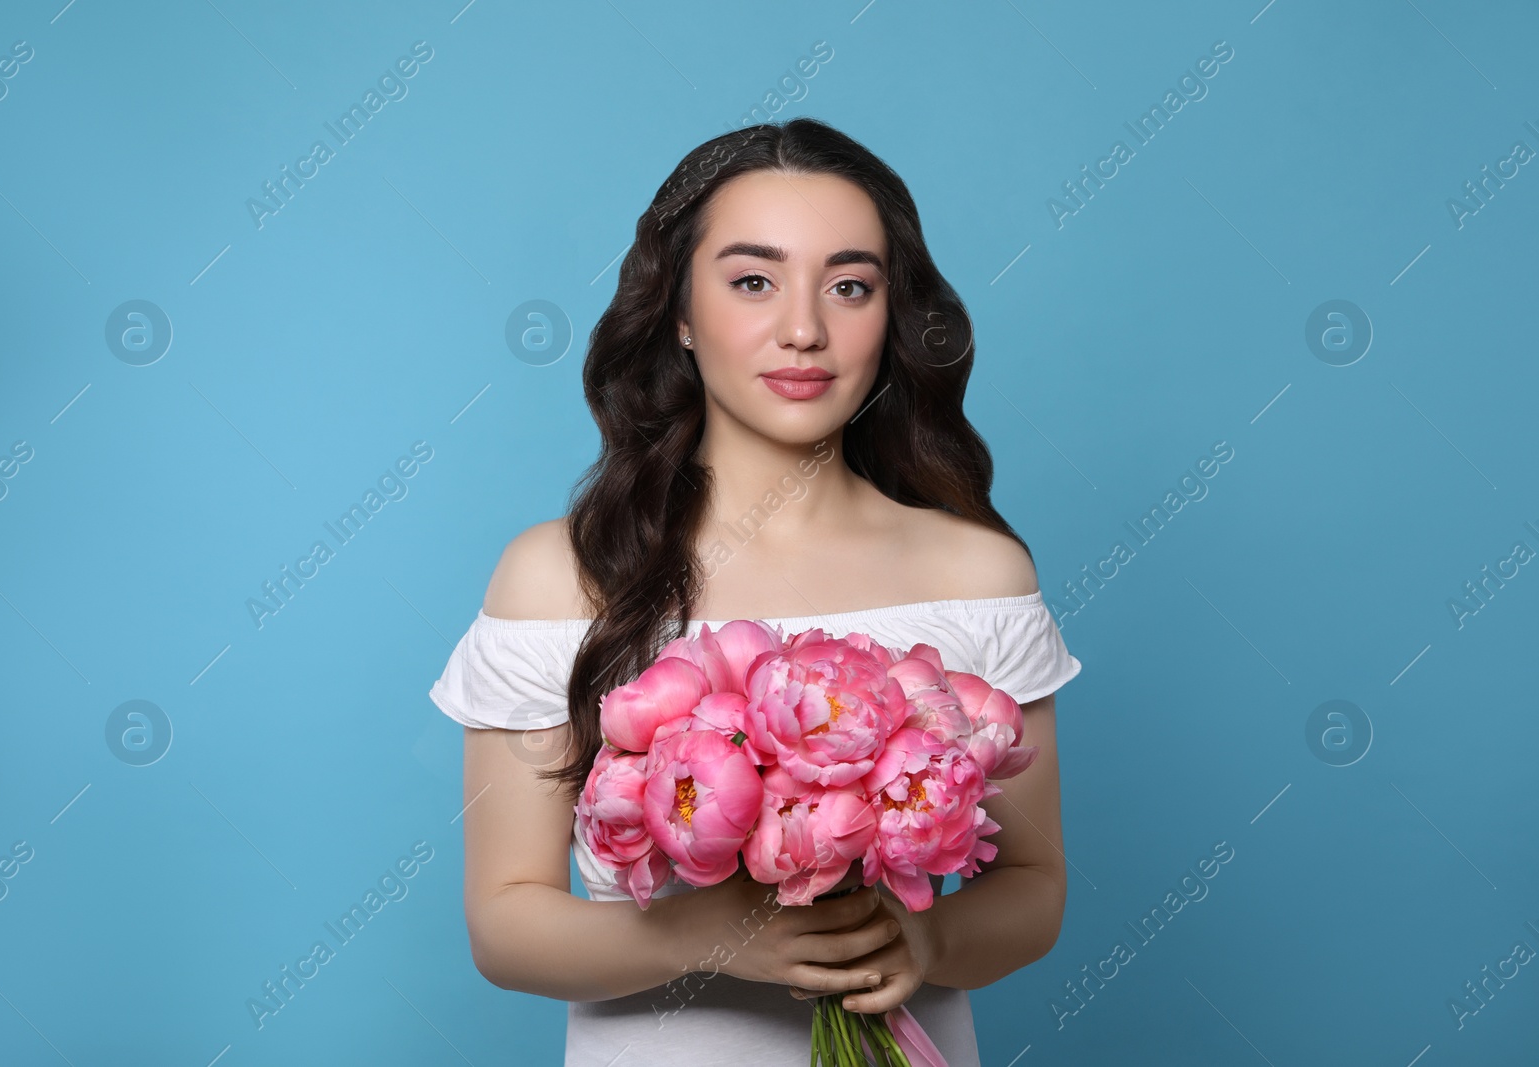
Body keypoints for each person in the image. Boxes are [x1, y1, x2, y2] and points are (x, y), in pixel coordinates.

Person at [428, 117, 1082, 1065]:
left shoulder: (978, 574)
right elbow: (505, 923)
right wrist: (722, 937)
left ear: (891, 317)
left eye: (849, 285)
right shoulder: (560, 575)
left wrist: (921, 939)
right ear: (679, 314)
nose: (805, 328)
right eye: (753, 281)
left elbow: (1035, 887)